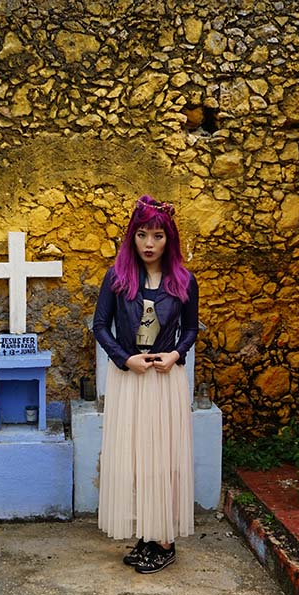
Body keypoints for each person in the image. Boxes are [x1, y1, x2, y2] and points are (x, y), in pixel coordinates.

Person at [93, 195, 199, 574]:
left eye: (157, 235)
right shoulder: (117, 279)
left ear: (169, 239)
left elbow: (190, 329)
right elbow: (100, 326)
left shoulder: (184, 281)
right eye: (142, 235)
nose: (149, 243)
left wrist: (176, 355)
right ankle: (147, 532)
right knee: (135, 458)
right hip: (129, 378)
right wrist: (124, 359)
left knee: (163, 457)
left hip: (164, 380)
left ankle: (164, 540)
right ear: (131, 238)